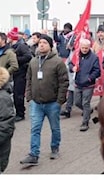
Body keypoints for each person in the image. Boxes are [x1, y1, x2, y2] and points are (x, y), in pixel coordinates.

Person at [20, 34, 69, 165]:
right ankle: (33, 154)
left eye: (45, 43)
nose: (41, 45)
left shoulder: (57, 62)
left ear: (50, 46)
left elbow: (64, 82)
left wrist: (59, 101)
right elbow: (28, 79)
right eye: (40, 42)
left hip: (52, 103)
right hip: (36, 103)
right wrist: (29, 97)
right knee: (35, 129)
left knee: (55, 128)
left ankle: (54, 148)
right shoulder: (33, 61)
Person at [68, 38, 101, 132]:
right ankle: (87, 111)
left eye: (86, 48)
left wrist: (90, 78)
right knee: (77, 102)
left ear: (89, 47)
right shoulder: (76, 55)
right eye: (83, 48)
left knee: (85, 103)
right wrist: (72, 68)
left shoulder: (94, 57)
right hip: (78, 83)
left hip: (88, 84)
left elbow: (97, 71)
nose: (84, 50)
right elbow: (70, 64)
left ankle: (85, 122)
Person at [7, 27, 33, 122]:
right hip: (15, 73)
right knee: (15, 94)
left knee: (18, 94)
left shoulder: (21, 46)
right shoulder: (11, 47)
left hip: (21, 73)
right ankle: (18, 111)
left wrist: (15, 60)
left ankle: (20, 113)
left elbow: (28, 56)